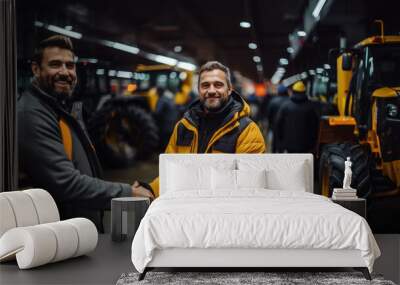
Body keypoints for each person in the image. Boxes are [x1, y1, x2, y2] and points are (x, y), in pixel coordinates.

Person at [17, 35, 153, 231]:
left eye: (70, 65)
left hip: (76, 229)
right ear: (36, 69)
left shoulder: (57, 108)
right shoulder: (32, 114)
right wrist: (127, 192)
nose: (65, 72)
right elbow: (66, 182)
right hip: (58, 234)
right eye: (55, 64)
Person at [133, 61, 266, 197]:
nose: (212, 90)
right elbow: (170, 173)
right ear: (199, 90)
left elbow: (248, 187)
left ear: (229, 89)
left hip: (225, 211)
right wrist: (151, 190)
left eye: (218, 85)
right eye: (205, 85)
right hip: (187, 208)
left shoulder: (247, 131)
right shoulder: (183, 127)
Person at [274, 81, 319, 153]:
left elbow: (278, 124)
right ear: (304, 92)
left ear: (293, 91)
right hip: (306, 146)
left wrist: (280, 142)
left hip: (288, 145)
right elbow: (315, 127)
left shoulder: (285, 106)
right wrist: (313, 144)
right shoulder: (311, 107)